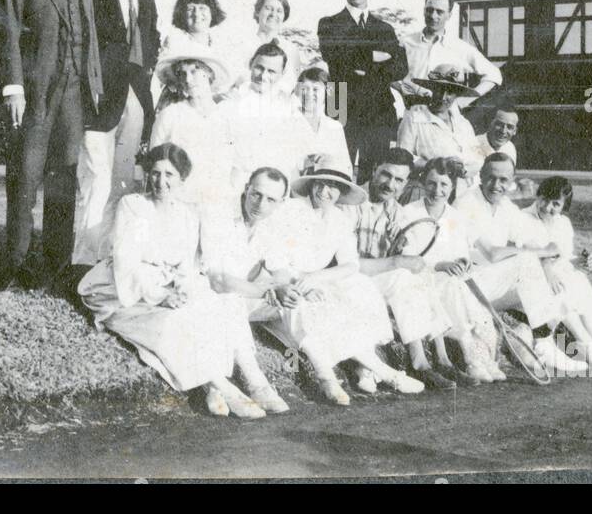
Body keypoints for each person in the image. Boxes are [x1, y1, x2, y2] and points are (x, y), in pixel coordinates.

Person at [78, 143, 287, 419]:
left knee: (216, 305)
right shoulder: (133, 205)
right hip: (124, 290)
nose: (161, 182)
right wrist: (161, 295)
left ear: (182, 179)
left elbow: (187, 266)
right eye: (155, 173)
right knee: (173, 324)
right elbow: (126, 262)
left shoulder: (188, 214)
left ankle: (247, 383)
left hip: (168, 286)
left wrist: (181, 291)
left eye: (169, 175)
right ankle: (222, 387)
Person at [209, 166, 425, 406]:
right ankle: (323, 378)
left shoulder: (322, 220)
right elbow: (224, 279)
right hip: (235, 295)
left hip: (267, 294)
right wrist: (285, 286)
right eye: (319, 184)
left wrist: (296, 286)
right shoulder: (273, 213)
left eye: (332, 186)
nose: (324, 191)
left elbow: (283, 267)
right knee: (298, 301)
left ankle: (357, 374)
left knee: (314, 306)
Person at [0, 0, 103, 290]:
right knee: (24, 178)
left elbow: (89, 45)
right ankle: (15, 266)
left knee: (63, 182)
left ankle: (55, 268)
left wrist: (93, 92)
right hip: (34, 94)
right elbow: (4, 33)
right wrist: (13, 89)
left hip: (73, 97)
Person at [347, 149, 498, 388]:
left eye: (399, 180)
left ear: (406, 183)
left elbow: (399, 256)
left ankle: (443, 360)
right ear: (374, 169)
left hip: (376, 280)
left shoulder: (395, 211)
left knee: (417, 278)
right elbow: (348, 265)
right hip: (350, 280)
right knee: (403, 276)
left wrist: (398, 252)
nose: (390, 184)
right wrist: (397, 261)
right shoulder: (351, 202)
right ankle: (420, 365)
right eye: (386, 174)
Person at [452, 153, 590, 375]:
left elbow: (536, 243)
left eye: (503, 180)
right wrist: (541, 253)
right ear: (481, 176)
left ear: (512, 181)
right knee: (527, 261)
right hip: (464, 286)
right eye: (491, 178)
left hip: (490, 284)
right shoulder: (466, 203)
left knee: (554, 275)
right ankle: (544, 343)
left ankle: (546, 345)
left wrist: (558, 263)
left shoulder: (506, 207)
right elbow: (492, 253)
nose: (497, 185)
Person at [76, 0, 162, 243]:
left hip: (136, 102)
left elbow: (150, 52)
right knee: (96, 181)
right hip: (99, 103)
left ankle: (109, 258)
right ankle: (81, 263)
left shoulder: (149, 3)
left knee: (124, 183)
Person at [316, 0, 408, 182]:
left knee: (373, 172)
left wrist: (356, 61)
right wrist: (374, 57)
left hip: (377, 106)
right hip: (338, 100)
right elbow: (334, 58)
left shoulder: (385, 29)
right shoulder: (329, 24)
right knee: (335, 168)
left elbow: (399, 69)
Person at [524, 176, 592, 365]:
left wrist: (581, 262)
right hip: (533, 273)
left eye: (556, 204)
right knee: (562, 286)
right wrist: (551, 271)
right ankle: (586, 342)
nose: (548, 207)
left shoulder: (563, 223)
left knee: (578, 279)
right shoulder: (524, 217)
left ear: (563, 207)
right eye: (544, 199)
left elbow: (564, 258)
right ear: (538, 195)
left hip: (557, 272)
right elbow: (528, 254)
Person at [148, 48, 237, 224]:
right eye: (182, 74)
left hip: (216, 205)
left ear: (209, 74)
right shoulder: (170, 114)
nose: (188, 79)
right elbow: (154, 161)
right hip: (179, 204)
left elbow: (236, 164)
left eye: (194, 71)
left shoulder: (227, 115)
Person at [395, 0, 501, 109]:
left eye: (439, 12)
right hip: (412, 112)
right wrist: (402, 91)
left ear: (449, 15)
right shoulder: (405, 42)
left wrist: (463, 101)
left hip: (445, 114)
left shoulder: (459, 47)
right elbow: (389, 76)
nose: (433, 16)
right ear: (424, 10)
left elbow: (494, 75)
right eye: (429, 10)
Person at [220, 42, 299, 183]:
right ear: (251, 64)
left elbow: (291, 158)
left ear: (282, 73)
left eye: (271, 71)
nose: (263, 76)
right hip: (236, 182)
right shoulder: (230, 103)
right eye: (259, 68)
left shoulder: (288, 109)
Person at [396, 67, 484, 180]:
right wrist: (437, 164)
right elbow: (402, 158)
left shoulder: (463, 123)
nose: (443, 97)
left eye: (450, 92)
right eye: (439, 90)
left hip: (463, 188)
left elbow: (478, 158)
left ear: (457, 95)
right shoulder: (414, 118)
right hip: (427, 186)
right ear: (431, 89)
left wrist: (463, 170)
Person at [229, 0, 303, 95]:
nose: (273, 14)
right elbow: (234, 77)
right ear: (257, 12)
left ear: (284, 16)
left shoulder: (291, 49)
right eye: (268, 8)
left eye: (279, 11)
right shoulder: (241, 44)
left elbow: (294, 84)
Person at [288, 66, 351, 176]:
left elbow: (346, 167)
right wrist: (304, 163)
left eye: (315, 89)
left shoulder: (335, 127)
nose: (308, 93)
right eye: (304, 88)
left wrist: (328, 161)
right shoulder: (288, 121)